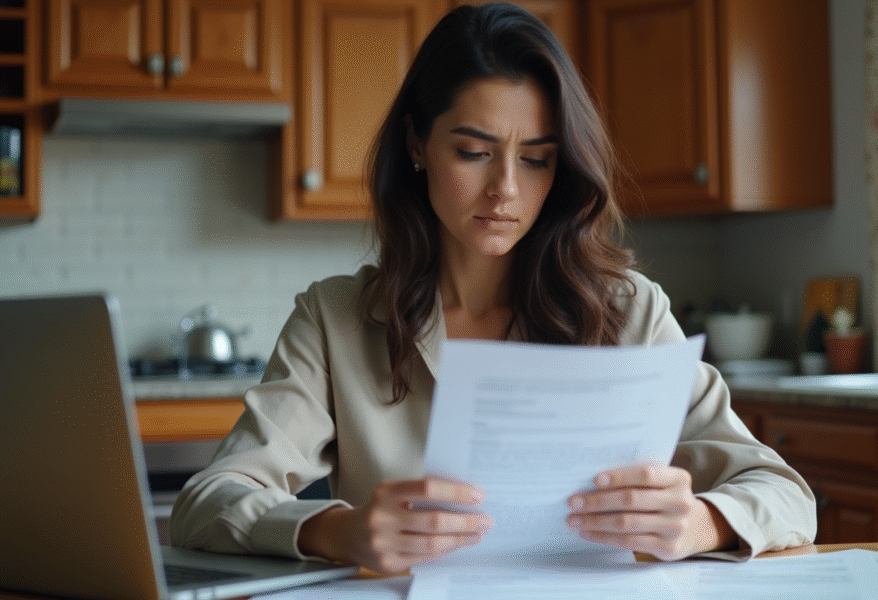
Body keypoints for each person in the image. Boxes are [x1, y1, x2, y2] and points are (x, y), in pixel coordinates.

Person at [170, 1, 816, 574]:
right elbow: (206, 502)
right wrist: (339, 530)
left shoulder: (629, 312)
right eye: (474, 152)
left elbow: (785, 494)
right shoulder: (335, 318)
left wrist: (701, 522)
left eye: (536, 158)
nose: (506, 189)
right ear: (417, 143)